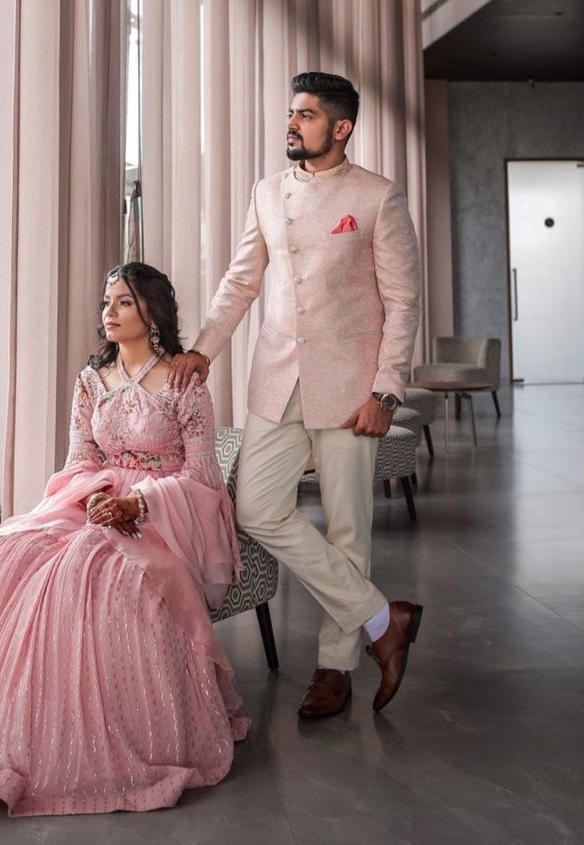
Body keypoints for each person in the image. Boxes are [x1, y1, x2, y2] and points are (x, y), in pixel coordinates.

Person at [0, 262, 249, 816]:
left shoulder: (184, 384)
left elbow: (203, 478)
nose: (108, 313)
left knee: (95, 570)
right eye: (106, 302)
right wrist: (96, 501)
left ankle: (118, 731)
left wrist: (137, 503)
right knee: (11, 547)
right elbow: (80, 461)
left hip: (165, 511)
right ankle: (15, 731)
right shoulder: (92, 382)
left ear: (153, 313)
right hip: (97, 498)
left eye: (123, 303)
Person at [169, 71, 423, 719]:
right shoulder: (265, 192)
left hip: (349, 390)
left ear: (340, 127)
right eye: (291, 113)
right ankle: (378, 617)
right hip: (275, 381)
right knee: (255, 508)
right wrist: (202, 348)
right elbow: (239, 282)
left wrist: (385, 391)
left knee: (346, 529)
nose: (292, 123)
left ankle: (334, 667)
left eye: (306, 115)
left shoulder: (376, 197)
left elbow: (402, 303)